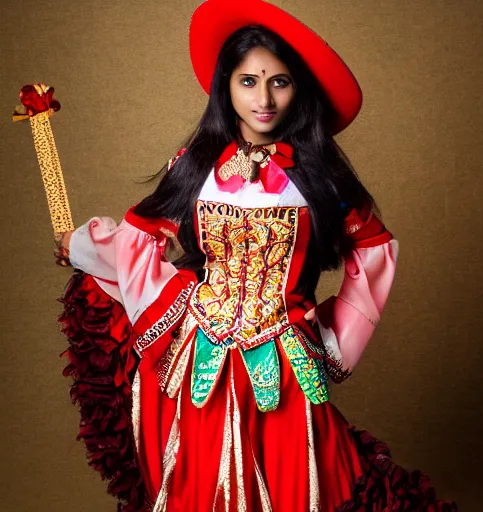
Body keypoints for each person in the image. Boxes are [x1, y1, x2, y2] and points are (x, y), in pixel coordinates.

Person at [55, 1, 458, 510]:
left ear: (298, 89)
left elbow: (375, 251)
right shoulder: (196, 166)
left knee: (299, 480)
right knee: (200, 481)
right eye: (248, 82)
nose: (263, 98)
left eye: (279, 82)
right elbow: (138, 237)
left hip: (286, 363)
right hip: (202, 360)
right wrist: (86, 249)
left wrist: (336, 337)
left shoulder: (322, 178)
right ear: (226, 86)